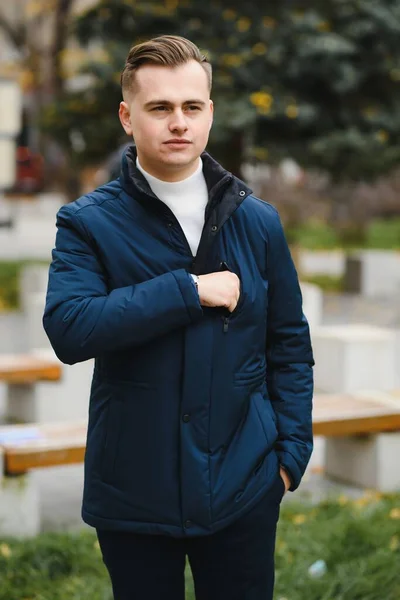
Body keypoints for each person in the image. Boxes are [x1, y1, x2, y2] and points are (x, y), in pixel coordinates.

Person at [43, 35, 314, 600]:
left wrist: (288, 457)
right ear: (127, 116)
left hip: (246, 487)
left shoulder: (258, 222)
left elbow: (288, 343)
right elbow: (69, 328)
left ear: (209, 113)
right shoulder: (87, 223)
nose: (178, 123)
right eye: (159, 107)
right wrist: (187, 291)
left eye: (191, 107)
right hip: (134, 496)